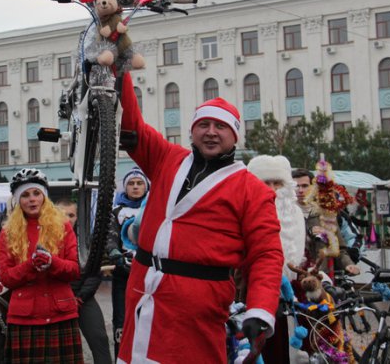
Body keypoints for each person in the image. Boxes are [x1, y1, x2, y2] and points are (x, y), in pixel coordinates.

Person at [117, 72, 284, 364]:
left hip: (197, 308)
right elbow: (132, 126)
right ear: (192, 131)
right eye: (203, 124)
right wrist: (118, 70)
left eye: (220, 126)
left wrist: (260, 309)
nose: (211, 132)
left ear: (235, 135)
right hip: (143, 290)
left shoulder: (252, 190)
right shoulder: (167, 157)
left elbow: (266, 254)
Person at [0, 169, 83, 363]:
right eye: (25, 195)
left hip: (61, 314)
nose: (32, 199)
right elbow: (6, 278)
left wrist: (52, 262)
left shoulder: (63, 225)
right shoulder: (8, 232)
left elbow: (75, 270)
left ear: (44, 196)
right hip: (24, 318)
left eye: (36, 193)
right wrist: (30, 265)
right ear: (18, 201)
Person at [247, 155, 306, 364]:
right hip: (255, 297)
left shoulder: (297, 215)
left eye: (277, 183)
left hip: (292, 298)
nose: (272, 189)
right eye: (266, 183)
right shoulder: (245, 214)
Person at [58, 199, 112, 364]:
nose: (67, 219)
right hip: (58, 298)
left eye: (71, 215)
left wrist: (80, 297)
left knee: (100, 339)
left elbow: (96, 273)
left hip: (83, 298)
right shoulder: (48, 237)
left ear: (78, 217)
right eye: (62, 215)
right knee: (60, 348)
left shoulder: (89, 240)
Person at [105, 167, 149, 358]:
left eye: (139, 183)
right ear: (125, 188)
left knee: (148, 322)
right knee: (121, 324)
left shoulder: (154, 206)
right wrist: (113, 251)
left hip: (149, 272)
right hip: (122, 271)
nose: (135, 187)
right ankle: (120, 358)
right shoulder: (116, 210)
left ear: (146, 186)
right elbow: (110, 235)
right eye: (131, 183)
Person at [291, 168, 360, 277]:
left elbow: (339, 250)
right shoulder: (283, 214)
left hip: (321, 278)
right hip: (292, 277)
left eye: (304, 186)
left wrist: (348, 265)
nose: (300, 190)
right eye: (295, 185)